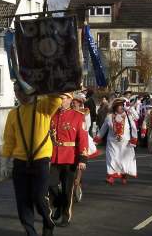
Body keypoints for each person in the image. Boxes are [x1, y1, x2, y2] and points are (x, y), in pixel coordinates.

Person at [1, 82, 62, 236]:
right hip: (20, 163)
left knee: (39, 198)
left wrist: (44, 81)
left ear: (28, 90)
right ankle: (31, 233)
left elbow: (56, 99)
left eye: (20, 90)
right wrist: (4, 162)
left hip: (41, 160)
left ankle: (48, 223)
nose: (18, 94)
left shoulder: (43, 106)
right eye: (15, 91)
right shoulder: (13, 114)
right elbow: (9, 141)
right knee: (23, 203)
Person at [49, 93, 88, 227]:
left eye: (63, 98)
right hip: (54, 155)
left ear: (70, 99)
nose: (60, 100)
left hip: (70, 157)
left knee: (67, 189)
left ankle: (66, 217)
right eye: (59, 98)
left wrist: (83, 158)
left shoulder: (78, 116)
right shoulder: (53, 114)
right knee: (51, 184)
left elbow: (83, 138)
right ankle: (59, 205)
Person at [94, 98, 137, 185]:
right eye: (119, 106)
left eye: (122, 105)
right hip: (112, 143)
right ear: (115, 107)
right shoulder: (109, 117)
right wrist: (97, 139)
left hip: (125, 143)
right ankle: (110, 176)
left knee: (124, 160)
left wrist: (134, 139)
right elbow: (103, 129)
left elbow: (134, 128)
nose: (121, 107)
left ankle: (124, 175)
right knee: (112, 159)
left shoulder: (128, 116)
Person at [71, 92, 100, 202]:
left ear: (79, 104)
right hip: (70, 139)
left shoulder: (84, 113)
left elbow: (86, 127)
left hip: (81, 138)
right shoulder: (67, 112)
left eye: (75, 103)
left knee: (80, 161)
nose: (73, 105)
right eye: (72, 103)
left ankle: (77, 181)